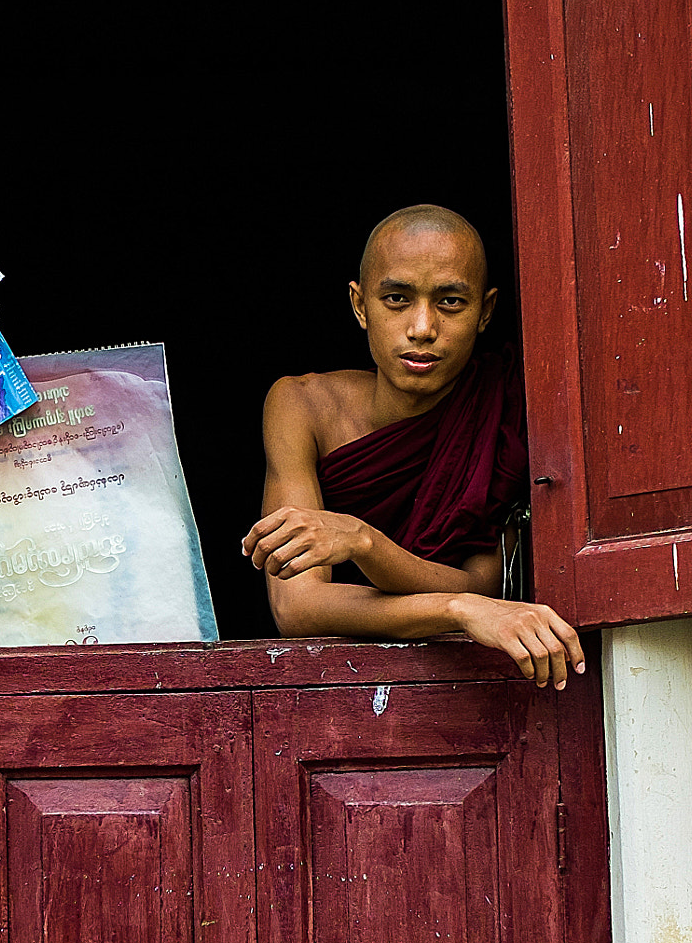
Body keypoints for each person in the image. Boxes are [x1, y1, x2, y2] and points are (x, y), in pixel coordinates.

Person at [240, 204, 585, 689]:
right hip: (339, 688)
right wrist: (458, 610)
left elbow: (485, 585)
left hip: (462, 690)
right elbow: (298, 606)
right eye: (397, 299)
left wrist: (364, 543)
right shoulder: (302, 406)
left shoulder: (507, 408)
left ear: (485, 311)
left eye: (450, 303)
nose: (422, 328)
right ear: (360, 306)